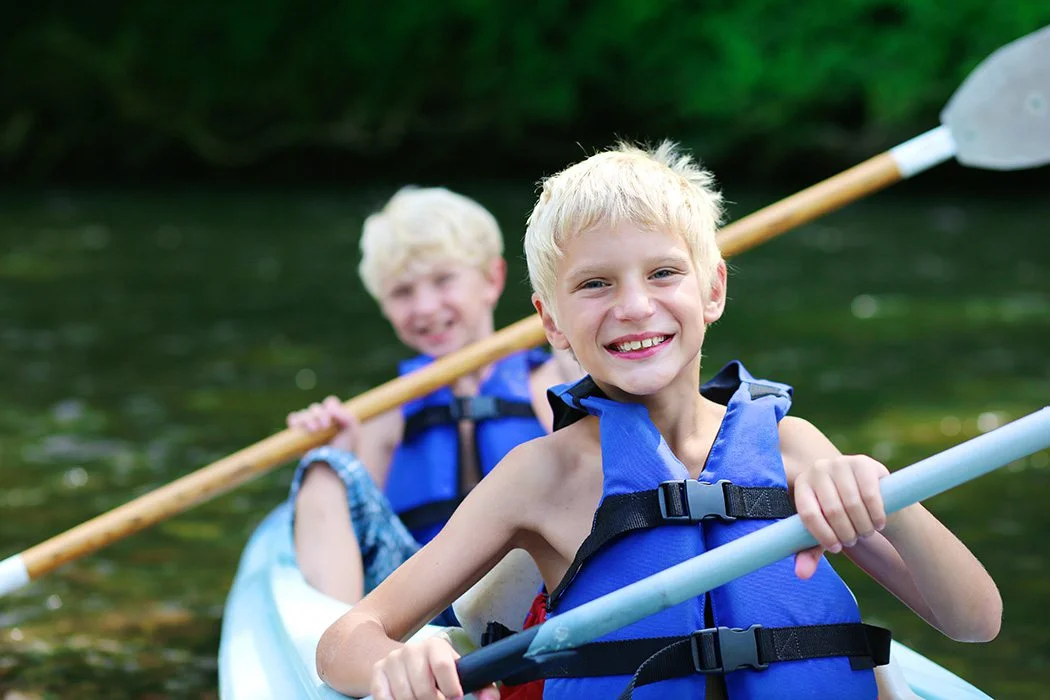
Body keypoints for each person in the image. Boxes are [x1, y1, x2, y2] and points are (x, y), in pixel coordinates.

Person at [314, 142, 1002, 700]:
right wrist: (400, 662)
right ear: (551, 320)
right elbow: (345, 639)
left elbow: (973, 621)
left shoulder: (794, 449)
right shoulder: (541, 476)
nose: (635, 306)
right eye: (595, 284)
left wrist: (885, 495)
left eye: (664, 273)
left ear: (713, 290)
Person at [287, 185, 577, 610]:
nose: (424, 307)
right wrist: (340, 450)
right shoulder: (384, 413)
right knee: (324, 471)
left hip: (534, 596)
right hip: (420, 608)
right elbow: (356, 520)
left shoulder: (549, 380)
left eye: (444, 280)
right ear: (384, 305)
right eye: (402, 292)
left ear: (492, 280)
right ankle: (338, 647)